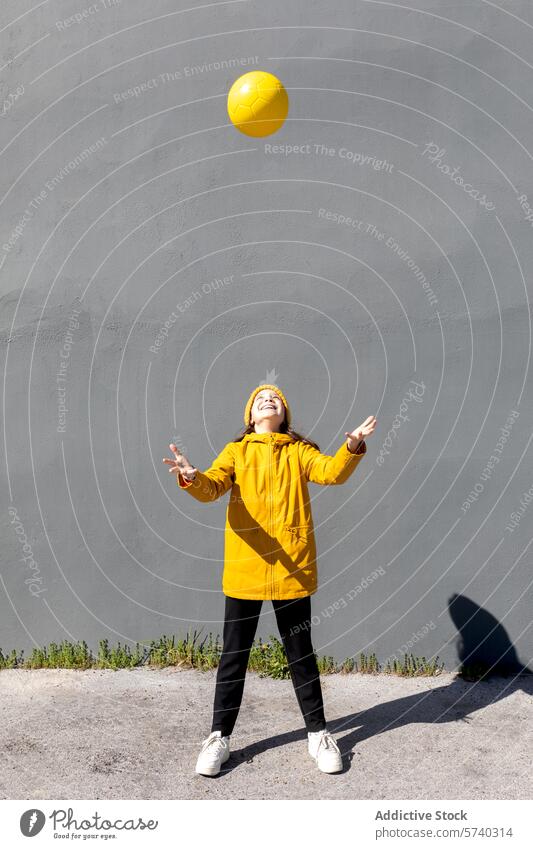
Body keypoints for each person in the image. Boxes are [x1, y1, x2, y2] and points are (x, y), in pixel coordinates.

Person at [163, 384, 376, 776]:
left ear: (284, 414)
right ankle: (218, 737)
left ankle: (318, 735)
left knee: (301, 654)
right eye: (260, 398)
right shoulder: (236, 452)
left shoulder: (299, 451)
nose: (268, 399)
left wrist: (353, 448)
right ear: (251, 416)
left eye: (275, 397)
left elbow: (331, 473)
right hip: (246, 568)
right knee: (233, 658)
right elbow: (212, 488)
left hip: (292, 569)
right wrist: (192, 477)